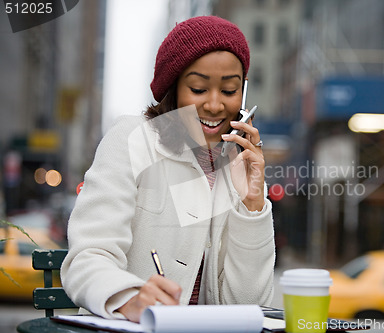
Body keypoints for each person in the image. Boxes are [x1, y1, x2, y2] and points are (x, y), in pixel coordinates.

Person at [61, 16, 275, 323]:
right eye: (199, 88)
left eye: (229, 91)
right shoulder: (132, 139)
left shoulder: (240, 166)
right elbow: (87, 258)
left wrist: (252, 205)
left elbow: (248, 304)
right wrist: (130, 297)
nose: (215, 105)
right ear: (173, 89)